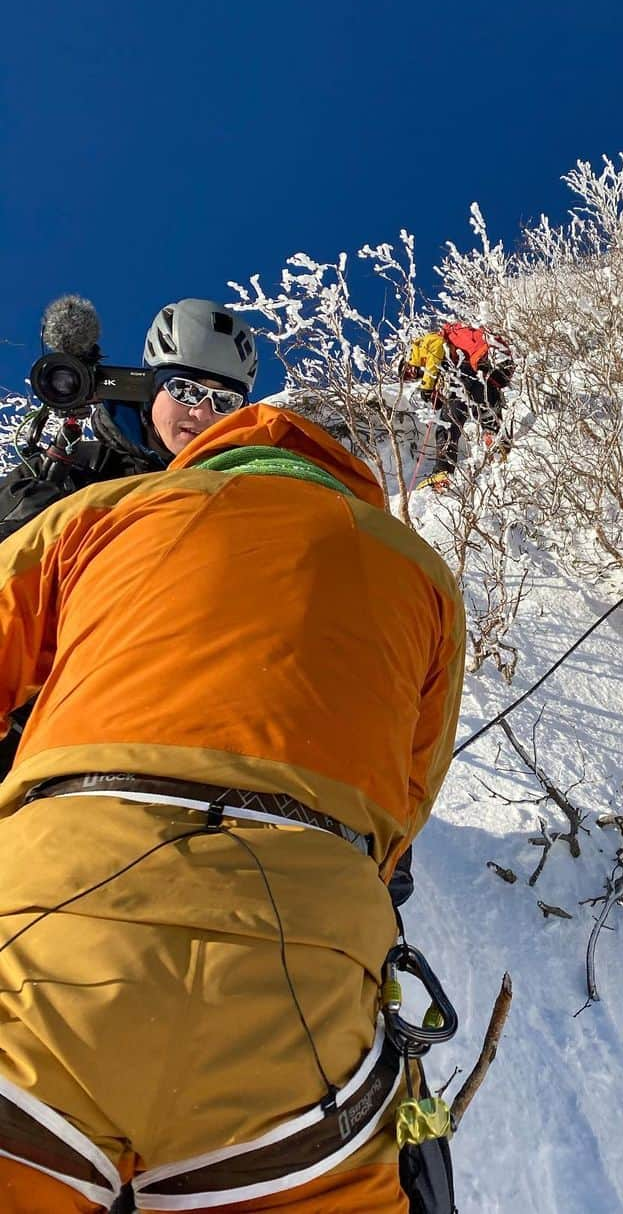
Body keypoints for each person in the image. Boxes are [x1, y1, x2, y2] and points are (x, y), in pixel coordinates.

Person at [0, 401, 465, 1213]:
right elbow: (407, 798)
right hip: (304, 991)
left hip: (51, 928)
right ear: (353, 476)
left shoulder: (106, 512)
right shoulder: (419, 571)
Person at [0, 298, 258, 773]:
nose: (201, 412)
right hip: (35, 713)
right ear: (148, 387)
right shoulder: (70, 469)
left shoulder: (242, 497)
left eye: (224, 400)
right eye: (183, 389)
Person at [403, 322, 514, 490]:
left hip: (467, 369)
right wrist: (436, 393)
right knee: (483, 404)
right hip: (478, 368)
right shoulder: (451, 352)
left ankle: (443, 471)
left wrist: (427, 386)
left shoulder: (422, 344)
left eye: (410, 372)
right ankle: (498, 443)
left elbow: (436, 347)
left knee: (448, 422)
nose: (414, 375)